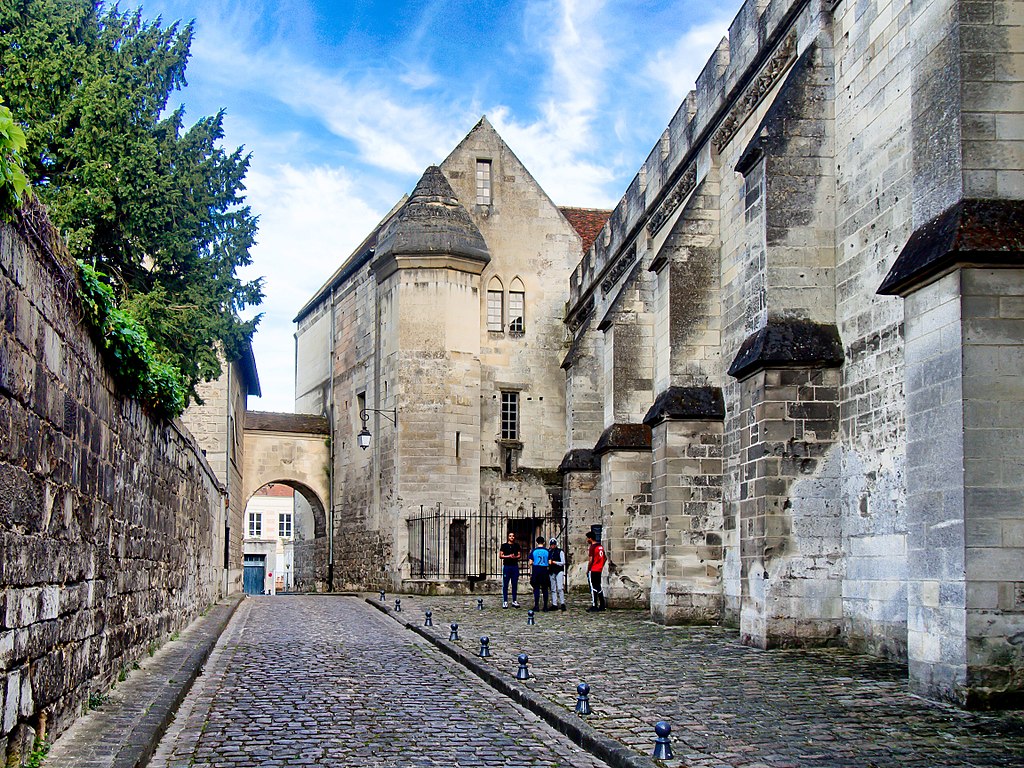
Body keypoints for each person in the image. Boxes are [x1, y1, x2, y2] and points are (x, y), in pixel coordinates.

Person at [585, 530, 606, 612]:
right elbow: (604, 558)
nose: (587, 540)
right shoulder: (600, 546)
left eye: (588, 538)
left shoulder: (592, 547)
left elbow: (591, 560)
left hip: (593, 569)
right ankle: (602, 604)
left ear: (590, 538)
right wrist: (601, 565)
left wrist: (588, 569)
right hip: (599, 569)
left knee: (593, 587)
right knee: (598, 586)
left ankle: (594, 605)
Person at [499, 532, 521, 608]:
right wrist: (509, 556)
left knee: (514, 584)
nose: (512, 537)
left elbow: (519, 555)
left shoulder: (517, 545)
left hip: (514, 566)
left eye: (513, 536)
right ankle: (505, 601)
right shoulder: (504, 546)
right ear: (508, 537)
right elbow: (501, 555)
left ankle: (514, 600)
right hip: (507, 566)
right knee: (505, 584)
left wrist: (514, 557)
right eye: (510, 536)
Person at [530, 536, 551, 611]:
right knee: (545, 588)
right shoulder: (547, 551)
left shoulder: (534, 551)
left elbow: (530, 562)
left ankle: (536, 606)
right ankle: (545, 606)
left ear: (537, 542)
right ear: (544, 542)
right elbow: (550, 562)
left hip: (536, 570)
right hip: (544, 570)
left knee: (536, 588)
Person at [547, 537, 566, 611]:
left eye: (554, 544)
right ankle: (554, 604)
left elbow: (563, 562)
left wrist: (554, 562)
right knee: (553, 588)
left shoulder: (560, 552)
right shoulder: (549, 552)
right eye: (551, 545)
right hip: (552, 571)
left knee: (560, 588)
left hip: (559, 571)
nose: (552, 546)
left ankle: (562, 603)